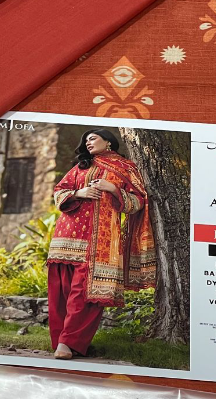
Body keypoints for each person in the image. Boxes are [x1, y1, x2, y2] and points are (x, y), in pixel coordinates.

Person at [46, 129, 154, 360]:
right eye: (86, 140)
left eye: (93, 138)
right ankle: (61, 342)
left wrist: (113, 188)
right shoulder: (81, 167)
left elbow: (138, 202)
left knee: (84, 294)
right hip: (66, 236)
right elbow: (59, 192)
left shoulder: (126, 168)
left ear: (109, 142)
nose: (88, 142)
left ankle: (67, 343)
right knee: (60, 292)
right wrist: (79, 192)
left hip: (101, 242)